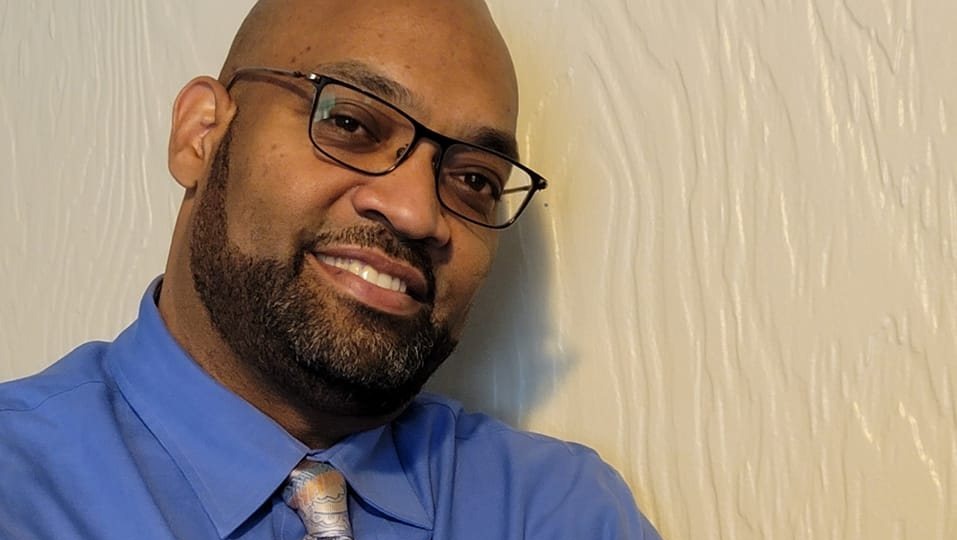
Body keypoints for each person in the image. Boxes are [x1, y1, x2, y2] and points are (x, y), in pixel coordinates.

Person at [0, 0, 661, 538]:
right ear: (201, 135)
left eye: (473, 180)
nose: (415, 212)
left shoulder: (558, 512)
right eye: (349, 122)